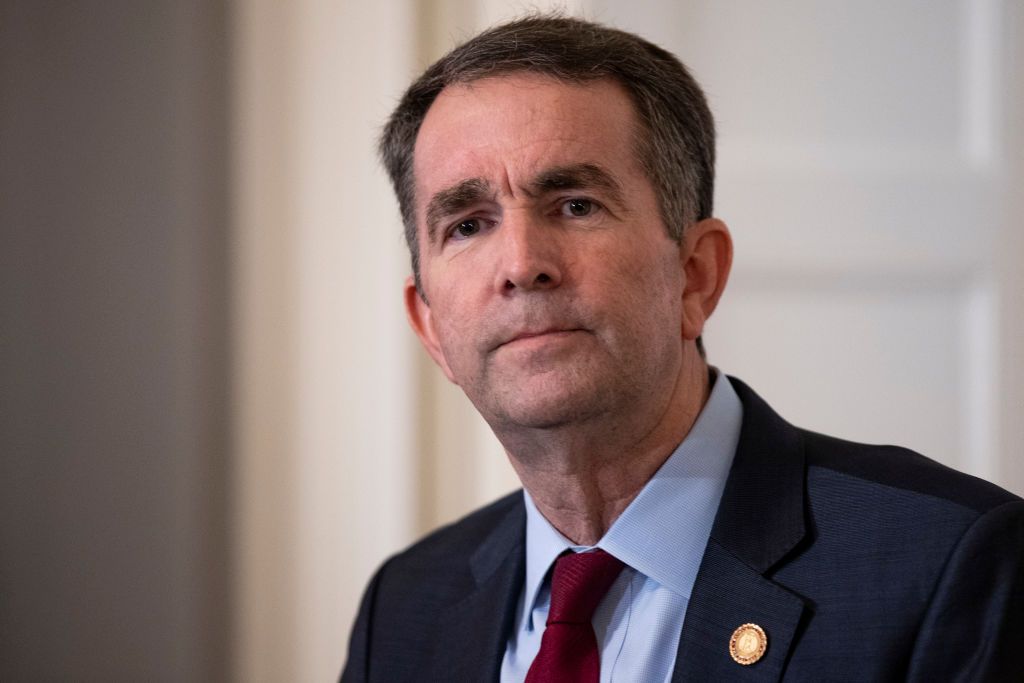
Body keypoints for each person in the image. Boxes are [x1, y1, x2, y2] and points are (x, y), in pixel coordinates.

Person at [341, 15, 1024, 682]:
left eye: (575, 204)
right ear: (430, 326)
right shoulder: (405, 608)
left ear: (696, 274)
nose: (521, 263)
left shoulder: (950, 564)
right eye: (467, 224)